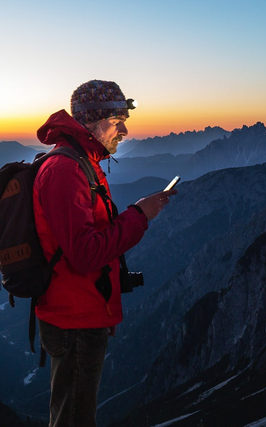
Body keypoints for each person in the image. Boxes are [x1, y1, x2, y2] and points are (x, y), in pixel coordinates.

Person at [33, 79, 177, 427]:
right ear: (90, 122)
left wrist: (105, 308)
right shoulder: (66, 170)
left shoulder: (83, 162)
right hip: (74, 319)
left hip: (83, 312)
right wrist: (140, 215)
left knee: (74, 412)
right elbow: (84, 253)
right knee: (74, 419)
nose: (125, 131)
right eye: (116, 122)